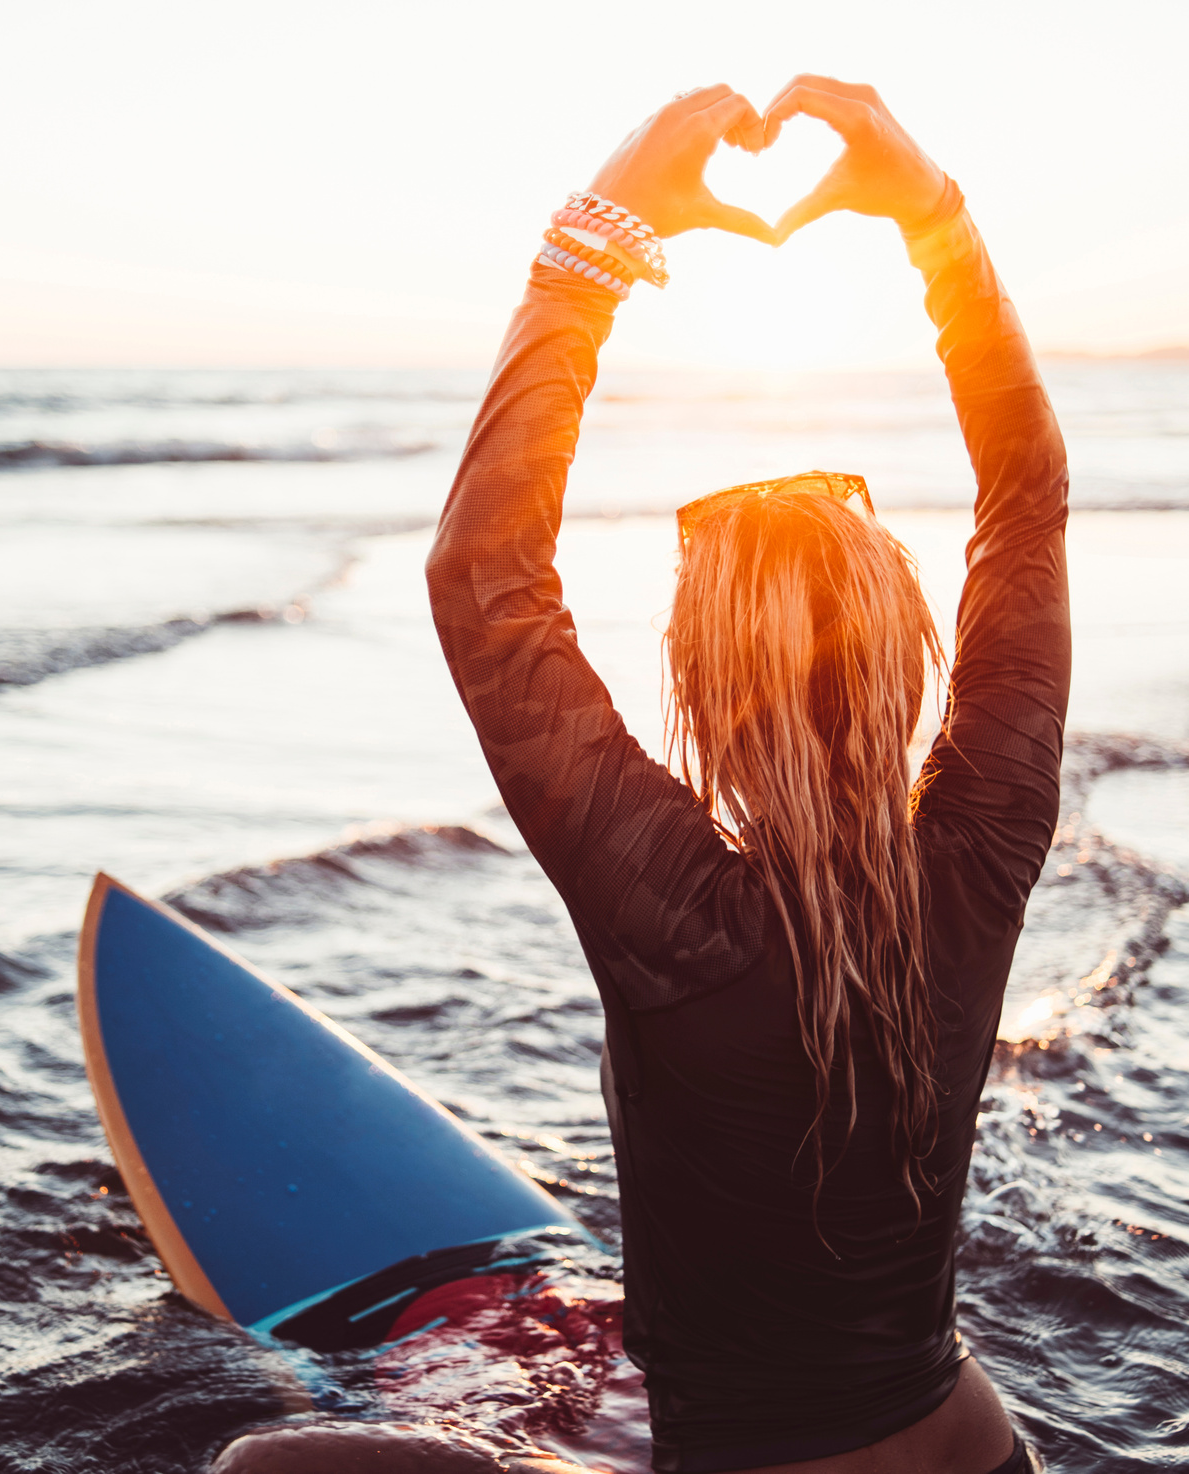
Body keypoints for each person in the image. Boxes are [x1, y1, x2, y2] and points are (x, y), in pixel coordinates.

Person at [220, 76, 1066, 1474]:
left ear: (705, 692)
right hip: (979, 1452)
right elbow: (1026, 502)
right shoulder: (983, 844)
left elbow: (484, 574)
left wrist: (595, 238)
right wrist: (932, 215)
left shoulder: (673, 906)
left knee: (259, 1469)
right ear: (911, 645)